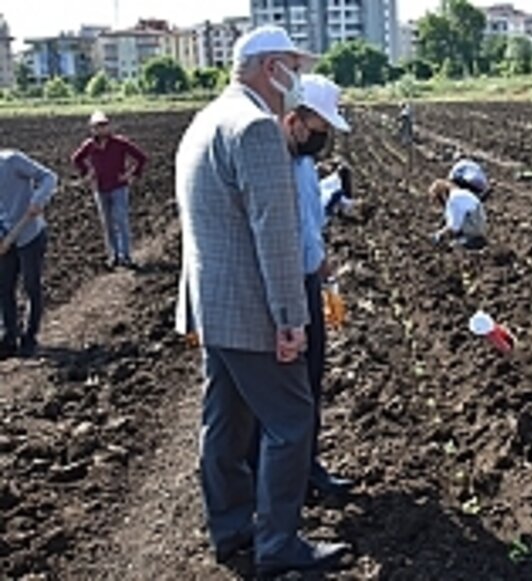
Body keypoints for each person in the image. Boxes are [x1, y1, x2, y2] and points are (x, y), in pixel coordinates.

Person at [174, 25, 347, 576]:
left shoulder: (206, 120)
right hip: (253, 310)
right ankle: (277, 544)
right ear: (272, 68)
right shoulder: (255, 129)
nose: (297, 78)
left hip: (214, 305)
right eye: (294, 66)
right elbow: (274, 234)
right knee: (291, 421)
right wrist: (290, 318)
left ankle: (230, 531)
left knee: (225, 424)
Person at [280, 73, 352, 500]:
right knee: (291, 385)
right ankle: (289, 478)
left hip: (308, 276)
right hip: (288, 282)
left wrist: (322, 266)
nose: (323, 136)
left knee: (310, 378)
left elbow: (310, 223)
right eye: (321, 126)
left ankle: (308, 466)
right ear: (297, 119)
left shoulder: (304, 166)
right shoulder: (275, 166)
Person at [71, 111, 149, 269]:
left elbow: (141, 158)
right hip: (100, 188)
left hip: (119, 187)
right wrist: (87, 173)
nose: (101, 129)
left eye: (104, 125)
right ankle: (113, 255)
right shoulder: (90, 145)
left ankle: (125, 256)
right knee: (107, 223)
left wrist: (131, 175)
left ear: (108, 126)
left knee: (121, 221)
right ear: (92, 128)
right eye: (97, 126)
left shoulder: (120, 143)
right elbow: (76, 159)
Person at [0, 150, 58, 358]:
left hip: (30, 234)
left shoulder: (12, 161)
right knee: (4, 288)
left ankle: (29, 336)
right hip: (5, 238)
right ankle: (9, 337)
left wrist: (37, 200)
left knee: (31, 285)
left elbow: (49, 177)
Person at [429, 178, 487, 249]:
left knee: (453, 246)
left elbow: (454, 226)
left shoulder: (454, 199)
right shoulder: (460, 193)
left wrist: (440, 234)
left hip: (473, 228)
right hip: (479, 225)